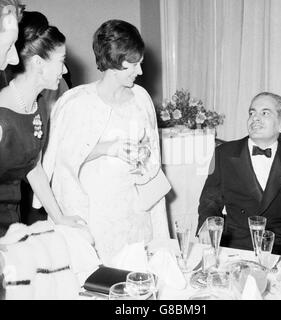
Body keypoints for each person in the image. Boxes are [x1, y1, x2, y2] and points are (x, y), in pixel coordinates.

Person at [33, 19, 170, 265]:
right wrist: (109, 148)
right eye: (134, 64)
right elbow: (63, 164)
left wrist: (144, 159)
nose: (140, 72)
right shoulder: (77, 102)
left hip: (136, 212)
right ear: (114, 61)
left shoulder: (141, 98)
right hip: (96, 216)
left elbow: (154, 156)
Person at [197, 92, 281, 258]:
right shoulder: (223, 154)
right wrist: (209, 221)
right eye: (252, 112)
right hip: (236, 245)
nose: (255, 118)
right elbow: (210, 199)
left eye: (265, 113)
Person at [0, 9, 88, 236]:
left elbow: (33, 166)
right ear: (39, 62)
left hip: (14, 224)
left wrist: (59, 217)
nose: (66, 69)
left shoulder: (38, 107)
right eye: (61, 61)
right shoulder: (2, 114)